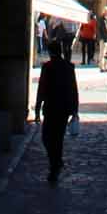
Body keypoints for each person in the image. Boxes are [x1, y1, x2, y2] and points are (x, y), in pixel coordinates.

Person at [34, 35, 80, 184]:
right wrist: (74, 110)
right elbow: (74, 89)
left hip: (51, 108)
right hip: (64, 109)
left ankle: (54, 164)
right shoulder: (69, 67)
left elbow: (42, 89)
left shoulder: (47, 67)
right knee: (58, 138)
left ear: (49, 52)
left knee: (47, 137)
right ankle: (56, 162)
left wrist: (37, 109)